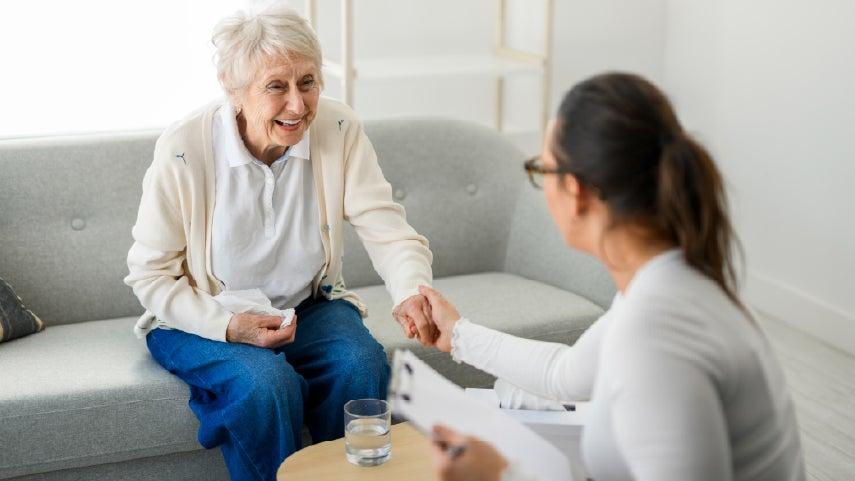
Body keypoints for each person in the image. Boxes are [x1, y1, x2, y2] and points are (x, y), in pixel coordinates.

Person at [419, 72, 805, 481]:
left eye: (542, 171)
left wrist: (502, 475)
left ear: (577, 191)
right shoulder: (665, 286)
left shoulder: (656, 333)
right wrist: (457, 334)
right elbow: (563, 375)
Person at [124, 4, 437, 480]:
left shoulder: (338, 129)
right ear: (234, 90)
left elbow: (386, 228)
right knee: (264, 384)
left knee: (361, 363)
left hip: (305, 306)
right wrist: (230, 326)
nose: (298, 105)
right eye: (276, 86)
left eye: (308, 82)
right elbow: (149, 276)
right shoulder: (185, 149)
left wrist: (413, 290)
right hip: (200, 317)